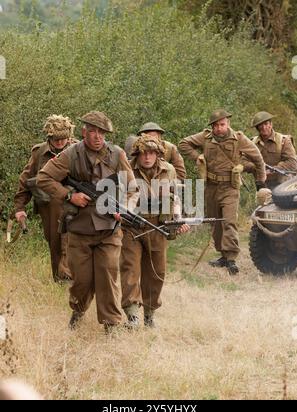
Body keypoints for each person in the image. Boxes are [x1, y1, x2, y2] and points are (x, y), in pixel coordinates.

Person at [36, 111, 139, 333]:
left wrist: (127, 210)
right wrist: (69, 195)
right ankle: (78, 311)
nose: (97, 136)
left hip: (108, 229)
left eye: (101, 132)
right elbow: (44, 178)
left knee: (108, 275)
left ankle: (111, 326)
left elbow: (133, 189)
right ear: (84, 132)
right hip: (79, 228)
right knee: (81, 280)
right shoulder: (71, 154)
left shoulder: (117, 155)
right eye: (92, 131)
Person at [179, 109, 266, 275]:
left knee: (229, 221)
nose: (219, 128)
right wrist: (197, 156)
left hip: (230, 187)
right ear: (212, 126)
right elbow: (183, 144)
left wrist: (261, 181)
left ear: (228, 124)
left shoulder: (239, 139)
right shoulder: (205, 137)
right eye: (216, 125)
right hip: (210, 186)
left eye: (222, 124)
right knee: (215, 221)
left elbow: (258, 159)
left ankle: (231, 258)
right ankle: (223, 255)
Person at [120, 134, 189, 328]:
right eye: (143, 153)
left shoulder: (169, 170)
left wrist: (178, 218)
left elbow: (175, 197)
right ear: (137, 154)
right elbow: (121, 198)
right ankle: (132, 315)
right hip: (131, 227)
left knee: (156, 272)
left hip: (159, 226)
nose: (147, 157)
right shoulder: (127, 169)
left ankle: (149, 315)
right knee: (130, 269)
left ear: (158, 154)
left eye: (151, 153)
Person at [14, 114, 77, 282]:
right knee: (55, 243)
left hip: (76, 203)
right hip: (49, 206)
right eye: (55, 139)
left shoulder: (78, 150)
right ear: (49, 137)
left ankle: (73, 281)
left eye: (63, 139)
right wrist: (20, 208)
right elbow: (25, 181)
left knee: (73, 240)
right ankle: (60, 281)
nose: (59, 142)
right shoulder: (39, 152)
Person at [242, 111, 297, 189]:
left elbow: (292, 163)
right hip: (262, 185)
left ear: (271, 124)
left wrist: (274, 170)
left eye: (266, 124)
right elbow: (242, 161)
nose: (264, 128)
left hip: (283, 184)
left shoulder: (283, 140)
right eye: (260, 125)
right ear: (257, 128)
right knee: (263, 197)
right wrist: (257, 167)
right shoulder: (252, 143)